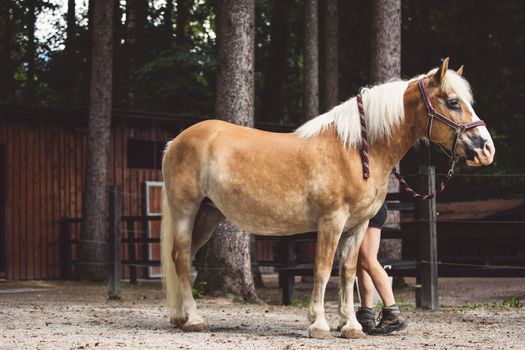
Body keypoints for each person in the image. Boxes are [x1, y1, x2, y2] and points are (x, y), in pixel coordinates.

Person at [355, 203, 407, 335]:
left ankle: (392, 312)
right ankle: (365, 315)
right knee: (360, 262)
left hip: (370, 206)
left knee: (368, 260)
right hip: (366, 205)